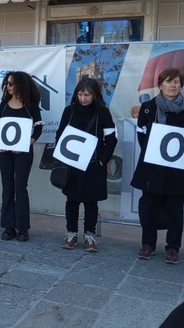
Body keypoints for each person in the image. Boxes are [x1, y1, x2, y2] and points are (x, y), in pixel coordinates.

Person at [131, 68, 184, 264]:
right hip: (151, 168)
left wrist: (176, 157)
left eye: (176, 82)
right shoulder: (148, 108)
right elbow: (141, 135)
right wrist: (155, 156)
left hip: (177, 169)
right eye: (169, 82)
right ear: (160, 85)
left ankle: (173, 248)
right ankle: (148, 244)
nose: (173, 85)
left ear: (181, 86)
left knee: (175, 209)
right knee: (149, 207)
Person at [55, 78, 117, 252]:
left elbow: (111, 139)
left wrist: (102, 160)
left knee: (91, 202)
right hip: (72, 165)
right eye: (80, 94)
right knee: (72, 200)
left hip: (93, 165)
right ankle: (71, 233)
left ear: (95, 95)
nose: (83, 98)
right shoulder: (69, 111)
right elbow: (60, 134)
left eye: (87, 95)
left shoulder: (103, 113)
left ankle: (90, 235)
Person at [0, 71, 42, 242]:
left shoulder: (31, 106)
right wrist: (0, 144)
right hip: (4, 154)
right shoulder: (4, 104)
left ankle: (23, 228)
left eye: (11, 83)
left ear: (20, 85)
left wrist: (26, 143)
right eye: (7, 83)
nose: (8, 86)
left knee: (20, 188)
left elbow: (38, 129)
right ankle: (8, 226)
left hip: (23, 154)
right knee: (7, 187)